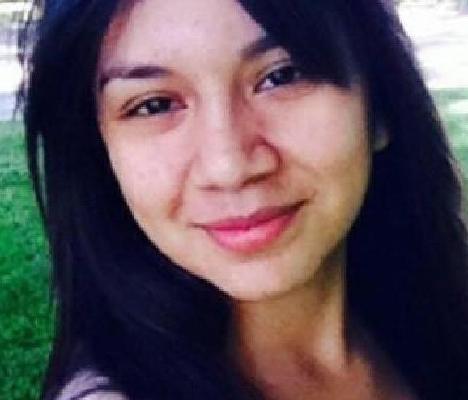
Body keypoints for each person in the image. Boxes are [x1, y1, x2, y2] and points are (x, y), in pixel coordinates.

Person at [22, 0, 468, 399]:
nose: (229, 166)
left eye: (282, 76)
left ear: (379, 107)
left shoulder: (432, 318)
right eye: (154, 105)